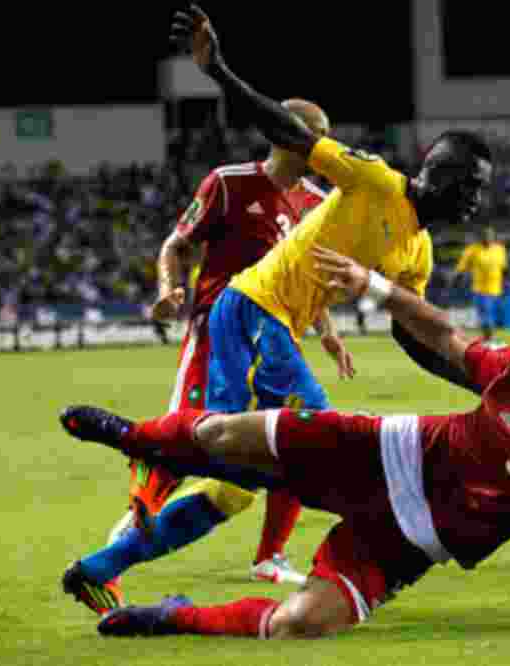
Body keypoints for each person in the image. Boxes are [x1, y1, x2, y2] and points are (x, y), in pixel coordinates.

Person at [59, 244, 510, 640]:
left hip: (408, 541)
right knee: (228, 433)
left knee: (296, 626)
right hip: (388, 450)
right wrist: (376, 290)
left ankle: (171, 617)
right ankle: (132, 437)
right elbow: (448, 336)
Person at [62, 99, 348, 617]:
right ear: (283, 134)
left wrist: (326, 330)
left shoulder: (315, 201)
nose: (324, 145)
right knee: (188, 442)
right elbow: (177, 244)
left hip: (278, 341)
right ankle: (122, 536)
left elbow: (305, 276)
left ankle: (262, 555)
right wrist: (171, 289)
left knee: (283, 451)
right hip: (219, 334)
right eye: (316, 134)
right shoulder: (228, 183)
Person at [168, 3, 491, 399]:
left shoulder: (419, 252)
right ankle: (142, 441)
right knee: (310, 436)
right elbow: (289, 131)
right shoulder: (376, 181)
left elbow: (413, 334)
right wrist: (218, 69)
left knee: (245, 447)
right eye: (472, 185)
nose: (476, 200)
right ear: (440, 173)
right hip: (251, 307)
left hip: (279, 325)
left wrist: (481, 384)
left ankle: (154, 445)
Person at [455, 226, 509, 340]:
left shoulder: (499, 249)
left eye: (490, 236)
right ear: (480, 238)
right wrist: (457, 279)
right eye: (485, 236)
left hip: (497, 289)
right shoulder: (473, 250)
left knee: (492, 316)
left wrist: (508, 283)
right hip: (481, 289)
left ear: (493, 237)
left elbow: (504, 269)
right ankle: (490, 339)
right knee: (486, 315)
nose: (488, 238)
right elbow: (461, 267)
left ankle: (487, 338)